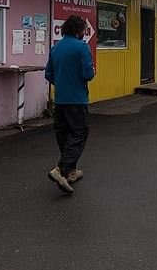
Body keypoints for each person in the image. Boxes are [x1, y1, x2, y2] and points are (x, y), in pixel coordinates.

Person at [45, 15, 95, 195]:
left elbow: (48, 74)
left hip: (60, 100)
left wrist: (62, 82)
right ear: (78, 30)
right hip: (77, 100)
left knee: (64, 135)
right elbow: (88, 74)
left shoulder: (56, 47)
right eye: (83, 30)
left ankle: (71, 171)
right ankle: (61, 169)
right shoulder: (82, 47)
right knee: (80, 132)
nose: (84, 33)